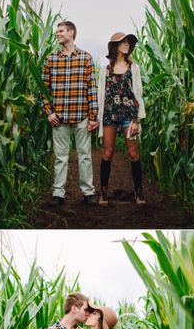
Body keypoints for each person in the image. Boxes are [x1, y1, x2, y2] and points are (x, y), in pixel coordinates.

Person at [42, 20, 99, 206]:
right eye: (57, 31)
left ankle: (88, 193)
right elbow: (43, 89)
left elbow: (92, 88)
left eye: (61, 31)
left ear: (71, 33)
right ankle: (58, 194)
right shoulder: (51, 59)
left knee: (85, 156)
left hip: (82, 117)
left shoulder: (85, 58)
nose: (57, 34)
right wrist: (49, 112)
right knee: (60, 157)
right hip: (59, 118)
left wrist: (93, 117)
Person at [97, 32, 146, 206]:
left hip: (128, 115)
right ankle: (103, 193)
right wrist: (99, 117)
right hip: (110, 114)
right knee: (108, 153)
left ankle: (138, 193)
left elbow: (138, 93)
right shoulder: (105, 68)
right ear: (115, 45)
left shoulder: (134, 68)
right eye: (123, 42)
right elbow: (101, 94)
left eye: (128, 42)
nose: (127, 44)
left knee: (133, 154)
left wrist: (136, 120)